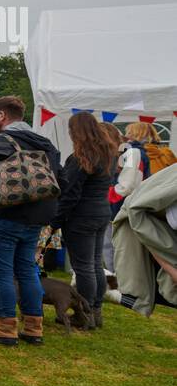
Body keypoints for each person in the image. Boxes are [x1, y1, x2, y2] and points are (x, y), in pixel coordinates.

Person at [0, 96, 63, 347]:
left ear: (2, 116)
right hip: (36, 218)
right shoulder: (45, 143)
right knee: (27, 270)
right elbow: (59, 179)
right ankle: (34, 326)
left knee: (2, 273)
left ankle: (6, 327)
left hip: (4, 215)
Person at [51, 112, 115, 330]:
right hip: (101, 212)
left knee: (84, 267)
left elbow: (70, 194)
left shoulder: (80, 158)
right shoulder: (106, 153)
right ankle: (96, 311)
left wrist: (55, 220)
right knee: (95, 264)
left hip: (82, 216)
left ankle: (84, 313)